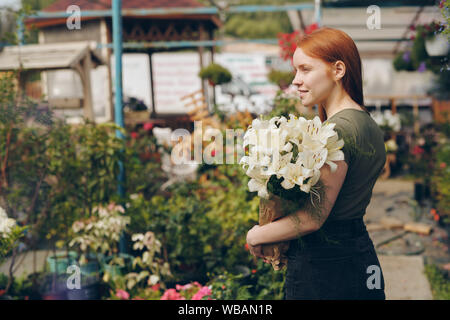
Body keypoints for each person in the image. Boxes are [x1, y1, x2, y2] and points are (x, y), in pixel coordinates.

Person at [245, 27, 387, 300]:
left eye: (305, 69)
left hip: (325, 269)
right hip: (358, 256)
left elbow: (313, 217)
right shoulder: (366, 122)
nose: (296, 81)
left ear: (338, 70)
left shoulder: (337, 131)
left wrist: (257, 235)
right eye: (295, 71)